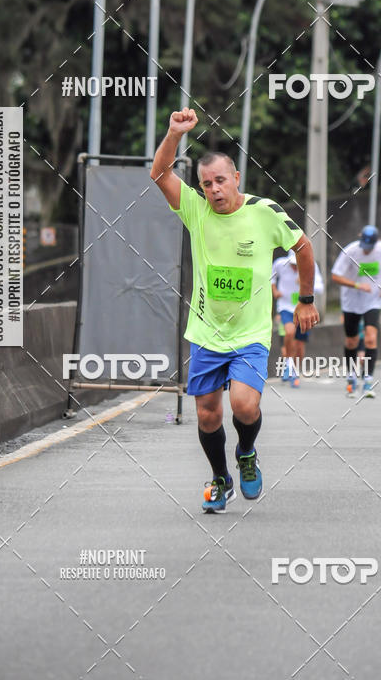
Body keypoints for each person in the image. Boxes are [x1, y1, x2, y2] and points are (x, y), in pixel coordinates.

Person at [150, 108, 319, 513]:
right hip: (208, 332)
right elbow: (159, 175)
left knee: (244, 405)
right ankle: (220, 478)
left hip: (251, 334)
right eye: (206, 184)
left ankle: (246, 452)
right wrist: (174, 134)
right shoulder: (196, 210)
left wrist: (307, 300)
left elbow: (304, 248)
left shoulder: (264, 212)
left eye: (220, 181)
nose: (214, 190)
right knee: (207, 415)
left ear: (236, 179)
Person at [331, 225, 381, 398]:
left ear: (376, 242)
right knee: (352, 341)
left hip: (373, 301)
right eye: (364, 247)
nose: (366, 251)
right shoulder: (351, 251)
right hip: (351, 302)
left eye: (369, 248)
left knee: (370, 338)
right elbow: (335, 276)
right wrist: (356, 285)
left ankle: (368, 380)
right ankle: (351, 376)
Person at [271, 250, 324, 387]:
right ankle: (288, 364)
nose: (294, 268)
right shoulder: (280, 264)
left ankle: (294, 370)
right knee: (289, 332)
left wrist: (305, 283)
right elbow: (270, 277)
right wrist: (275, 290)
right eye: (293, 265)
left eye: (297, 265)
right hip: (286, 306)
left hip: (304, 309)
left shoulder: (310, 265)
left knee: (300, 346)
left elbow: (320, 287)